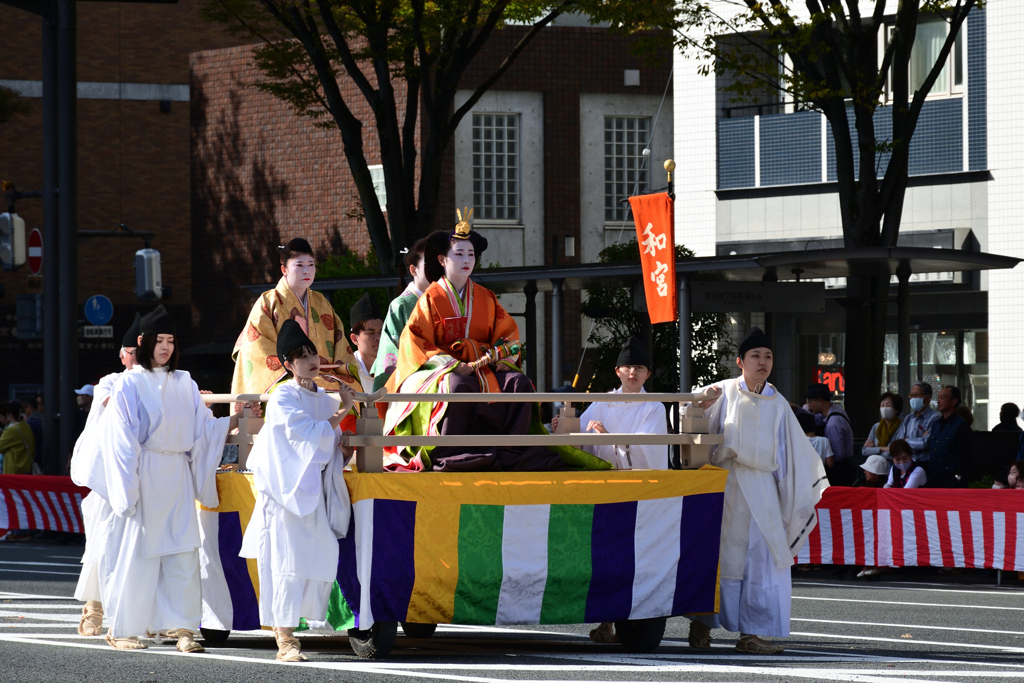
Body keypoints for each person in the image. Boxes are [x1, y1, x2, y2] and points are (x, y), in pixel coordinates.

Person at [91, 306, 251, 652]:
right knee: (138, 552)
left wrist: (231, 422)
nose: (165, 347)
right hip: (145, 473)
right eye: (158, 340)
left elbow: (202, 430)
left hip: (177, 471)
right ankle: (123, 629)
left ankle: (181, 629)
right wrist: (126, 487)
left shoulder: (185, 381)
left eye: (170, 340)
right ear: (142, 342)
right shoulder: (129, 383)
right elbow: (121, 441)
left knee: (183, 550)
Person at [384, 210, 593, 472]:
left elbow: (507, 334)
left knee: (520, 383)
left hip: (484, 366)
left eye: (470, 254)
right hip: (443, 369)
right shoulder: (430, 298)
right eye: (458, 254)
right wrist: (448, 363)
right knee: (458, 385)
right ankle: (449, 450)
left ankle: (512, 448)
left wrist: (504, 358)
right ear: (442, 259)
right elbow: (416, 340)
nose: (466, 260)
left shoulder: (485, 297)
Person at [687, 327, 828, 655]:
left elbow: (790, 451)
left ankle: (752, 634)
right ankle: (701, 625)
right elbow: (684, 418)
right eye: (755, 356)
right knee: (719, 556)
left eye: (767, 356)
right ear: (740, 361)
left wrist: (790, 492)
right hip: (726, 484)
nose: (762, 362)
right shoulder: (721, 391)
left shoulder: (777, 402)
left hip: (763, 490)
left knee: (763, 560)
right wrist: (696, 406)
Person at [240, 320, 354, 662]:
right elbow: (303, 433)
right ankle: (285, 638)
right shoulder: (283, 395)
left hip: (312, 489)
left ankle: (296, 624)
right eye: (300, 356)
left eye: (311, 352)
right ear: (288, 365)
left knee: (320, 555)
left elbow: (325, 442)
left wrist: (341, 448)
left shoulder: (322, 397)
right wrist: (344, 410)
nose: (310, 359)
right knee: (284, 562)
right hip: (283, 489)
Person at [69, 312, 141, 637]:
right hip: (109, 477)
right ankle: (94, 608)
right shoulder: (111, 382)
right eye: (132, 351)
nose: (137, 357)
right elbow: (109, 405)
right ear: (123, 354)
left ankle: (151, 617)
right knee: (102, 544)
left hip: (145, 474)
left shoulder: (164, 381)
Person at [231, 238, 361, 397]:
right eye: (299, 265)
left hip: (323, 374)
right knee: (298, 387)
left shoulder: (322, 303)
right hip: (287, 374)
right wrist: (296, 370)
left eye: (311, 265)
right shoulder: (268, 302)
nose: (307, 271)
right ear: (284, 269)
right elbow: (255, 349)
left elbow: (339, 341)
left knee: (354, 388)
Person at [554, 337, 668, 470]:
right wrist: (564, 425)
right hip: (602, 476)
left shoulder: (654, 407)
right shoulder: (602, 402)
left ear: (648, 374)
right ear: (617, 371)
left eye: (639, 368)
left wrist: (608, 437)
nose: (633, 372)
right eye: (627, 367)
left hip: (638, 479)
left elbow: (646, 450)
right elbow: (581, 431)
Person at [370, 236, 441, 391]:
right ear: (413, 269)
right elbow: (390, 353)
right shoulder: (400, 305)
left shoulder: (443, 302)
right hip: (413, 377)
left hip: (443, 370)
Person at [804, 383, 854, 485]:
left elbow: (838, 455)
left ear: (820, 401)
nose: (808, 404)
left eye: (810, 401)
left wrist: (824, 456)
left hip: (840, 472)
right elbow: (818, 419)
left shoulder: (833, 424)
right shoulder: (836, 409)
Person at [926, 386, 970, 488]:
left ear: (954, 401)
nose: (939, 401)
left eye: (943, 398)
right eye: (938, 398)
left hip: (951, 478)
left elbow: (965, 453)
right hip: (934, 477)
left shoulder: (961, 425)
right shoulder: (936, 424)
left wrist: (959, 476)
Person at [893, 382, 940, 466]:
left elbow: (926, 442)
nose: (913, 398)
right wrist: (918, 440)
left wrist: (907, 440)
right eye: (911, 395)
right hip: (907, 463)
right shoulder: (908, 418)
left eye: (917, 395)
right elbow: (899, 443)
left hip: (925, 463)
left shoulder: (935, 418)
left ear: (928, 397)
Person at [348, 293, 383, 393]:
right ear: (354, 338)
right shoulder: (348, 370)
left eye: (381, 332)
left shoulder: (393, 366)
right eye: (370, 333)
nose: (378, 338)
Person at [862, 392, 903, 459]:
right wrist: (882, 448)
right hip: (875, 466)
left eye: (888, 405)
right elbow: (865, 450)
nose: (884, 408)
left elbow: (893, 453)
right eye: (882, 405)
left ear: (896, 410)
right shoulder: (876, 427)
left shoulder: (901, 428)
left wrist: (874, 449)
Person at [0, 402, 35, 476]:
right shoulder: (26, 426)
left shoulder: (11, 430)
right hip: (26, 467)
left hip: (13, 469)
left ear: (10, 415)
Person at [21, 396, 44, 471]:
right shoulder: (42, 420)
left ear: (30, 407)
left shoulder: (31, 424)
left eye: (24, 408)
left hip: (35, 459)